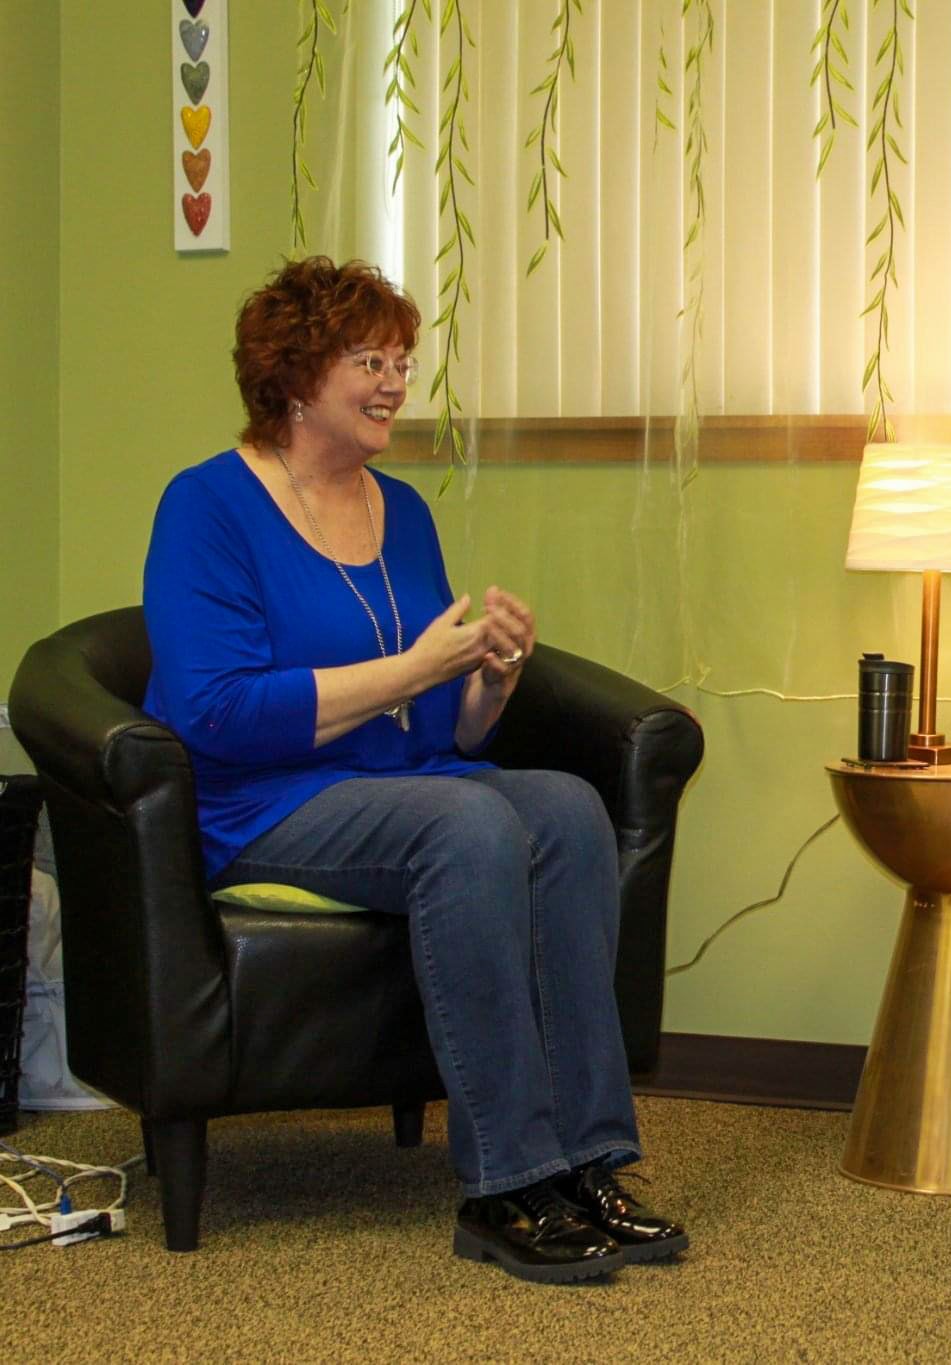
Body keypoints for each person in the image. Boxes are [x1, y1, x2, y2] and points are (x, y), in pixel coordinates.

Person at [141, 257, 687, 1284]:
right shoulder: (207, 507)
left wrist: (488, 673)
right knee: (466, 826)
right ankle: (505, 1186)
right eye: (369, 361)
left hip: (400, 784)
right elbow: (216, 711)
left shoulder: (403, 510)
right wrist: (407, 666)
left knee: (565, 808)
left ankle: (588, 1161)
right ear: (297, 377)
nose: (395, 382)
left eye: (402, 360)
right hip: (260, 802)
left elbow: (447, 729)